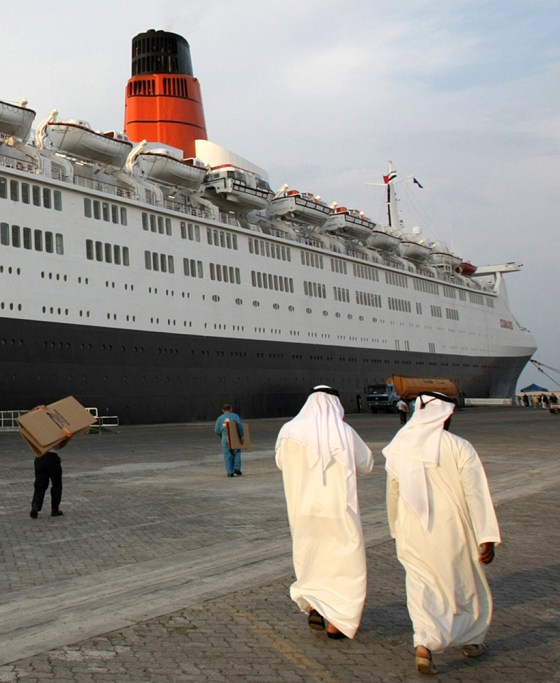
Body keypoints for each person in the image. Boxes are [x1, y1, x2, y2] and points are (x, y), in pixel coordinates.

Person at [383, 391, 501, 675]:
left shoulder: (399, 446)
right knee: (464, 584)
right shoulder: (459, 446)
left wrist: (397, 529)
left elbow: (393, 494)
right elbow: (476, 493)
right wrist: (486, 535)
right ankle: (471, 640)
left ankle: (423, 643)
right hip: (453, 530)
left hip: (412, 531)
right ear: (445, 415)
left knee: (421, 586)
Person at [275, 385, 374, 640]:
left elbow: (280, 462)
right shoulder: (343, 431)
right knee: (344, 563)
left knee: (311, 558)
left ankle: (316, 604)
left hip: (303, 511)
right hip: (339, 511)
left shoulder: (288, 431)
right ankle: (337, 622)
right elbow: (367, 464)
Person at [30, 448, 64, 518]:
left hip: (39, 457)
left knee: (39, 485)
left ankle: (36, 504)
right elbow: (60, 444)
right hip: (52, 458)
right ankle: (54, 509)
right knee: (56, 485)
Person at [214, 403, 244, 477]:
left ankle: (230, 472)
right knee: (237, 453)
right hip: (235, 436)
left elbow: (217, 430)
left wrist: (222, 435)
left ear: (223, 410)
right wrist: (241, 435)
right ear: (231, 409)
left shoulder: (219, 418)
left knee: (227, 455)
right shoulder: (235, 416)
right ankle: (237, 468)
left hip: (224, 437)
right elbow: (239, 426)